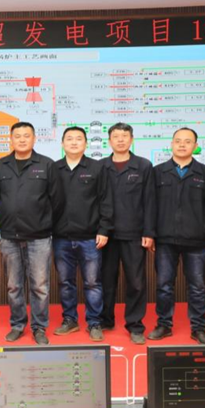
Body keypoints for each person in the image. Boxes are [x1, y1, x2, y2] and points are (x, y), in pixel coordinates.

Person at [0, 121, 63, 345]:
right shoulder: (1, 165)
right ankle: (17, 324)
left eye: (26, 136)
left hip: (39, 236)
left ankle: (39, 327)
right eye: (17, 136)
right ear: (11, 139)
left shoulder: (46, 164)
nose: (22, 140)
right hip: (9, 236)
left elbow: (57, 199)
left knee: (40, 286)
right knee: (14, 285)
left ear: (34, 138)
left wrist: (43, 221)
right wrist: (7, 217)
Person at [150, 127, 205, 345]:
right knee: (164, 285)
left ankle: (198, 328)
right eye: (178, 141)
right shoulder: (158, 172)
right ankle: (164, 325)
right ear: (171, 144)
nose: (182, 145)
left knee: (197, 287)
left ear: (195, 146)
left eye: (188, 141)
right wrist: (149, 234)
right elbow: (150, 206)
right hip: (165, 240)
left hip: (196, 240)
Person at [51, 127, 114, 342]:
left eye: (79, 139)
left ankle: (94, 322)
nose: (74, 142)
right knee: (65, 282)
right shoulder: (54, 168)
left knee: (93, 283)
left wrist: (104, 229)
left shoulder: (97, 168)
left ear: (86, 143)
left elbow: (106, 201)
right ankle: (70, 320)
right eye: (69, 139)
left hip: (90, 237)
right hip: (61, 237)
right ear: (62, 143)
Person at [100, 123, 155, 345]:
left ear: (131, 139)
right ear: (109, 141)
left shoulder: (143, 166)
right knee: (105, 281)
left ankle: (135, 325)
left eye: (125, 136)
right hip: (106, 235)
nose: (120, 140)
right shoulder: (100, 166)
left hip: (134, 234)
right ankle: (105, 320)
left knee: (136, 282)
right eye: (116, 136)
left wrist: (149, 232)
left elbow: (150, 201)